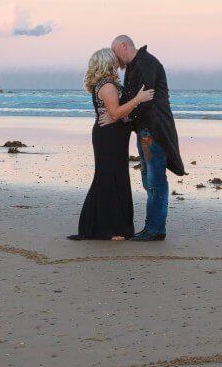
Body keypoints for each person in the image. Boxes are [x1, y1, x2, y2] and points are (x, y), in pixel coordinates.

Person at [101, 35, 185, 241]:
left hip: (153, 131)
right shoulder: (134, 66)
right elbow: (134, 100)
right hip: (145, 132)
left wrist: (121, 116)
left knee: (155, 180)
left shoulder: (147, 64)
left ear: (123, 46)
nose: (114, 59)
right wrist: (118, 113)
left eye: (115, 52)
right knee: (149, 178)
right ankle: (152, 227)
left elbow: (145, 101)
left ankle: (155, 229)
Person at [70, 48, 154, 241]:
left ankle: (106, 226)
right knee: (111, 177)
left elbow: (116, 114)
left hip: (112, 135)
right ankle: (112, 228)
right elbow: (115, 113)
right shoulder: (107, 85)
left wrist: (120, 114)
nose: (118, 62)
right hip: (109, 137)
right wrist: (137, 99)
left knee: (113, 176)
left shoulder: (106, 84)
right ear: (108, 63)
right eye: (114, 60)